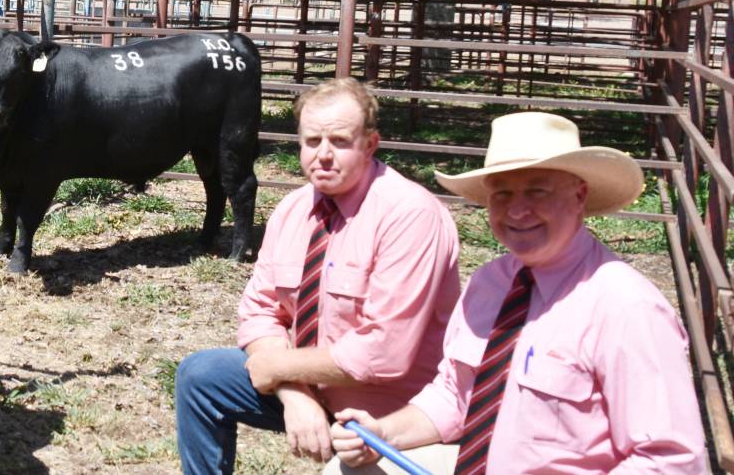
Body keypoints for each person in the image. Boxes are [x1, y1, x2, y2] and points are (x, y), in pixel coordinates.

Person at [331, 111, 706, 474]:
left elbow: (671, 460)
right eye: (502, 194)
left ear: (579, 196)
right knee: (344, 471)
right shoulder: (488, 284)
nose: (518, 210)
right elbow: (455, 395)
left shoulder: (626, 306)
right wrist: (382, 433)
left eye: (537, 191)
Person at [174, 78, 461, 474]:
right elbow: (259, 313)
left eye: (340, 142)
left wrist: (279, 370)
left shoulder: (410, 216)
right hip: (312, 386)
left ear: (370, 144)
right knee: (201, 377)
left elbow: (384, 353)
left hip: (387, 416)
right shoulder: (293, 210)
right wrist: (296, 394)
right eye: (312, 142)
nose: (323, 155)